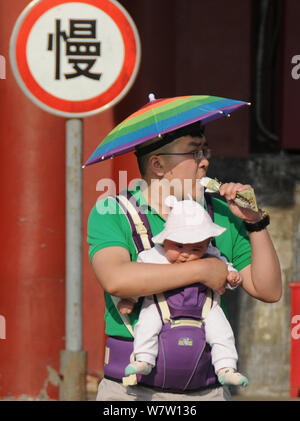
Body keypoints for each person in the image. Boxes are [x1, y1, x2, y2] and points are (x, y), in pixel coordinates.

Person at [87, 119, 282, 401]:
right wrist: (203, 269)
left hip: (209, 390)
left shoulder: (222, 214)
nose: (204, 163)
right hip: (131, 392)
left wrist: (255, 222)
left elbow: (269, 290)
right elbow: (117, 280)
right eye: (194, 153)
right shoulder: (114, 212)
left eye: (206, 151)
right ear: (158, 165)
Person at [118, 195, 248, 388]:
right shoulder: (154, 257)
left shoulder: (211, 256)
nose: (186, 253)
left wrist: (231, 276)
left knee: (222, 331)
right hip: (161, 305)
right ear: (165, 241)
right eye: (179, 246)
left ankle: (226, 368)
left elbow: (224, 270)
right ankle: (143, 359)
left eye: (196, 248)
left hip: (204, 307)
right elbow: (140, 280)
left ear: (206, 244)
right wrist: (131, 299)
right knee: (147, 323)